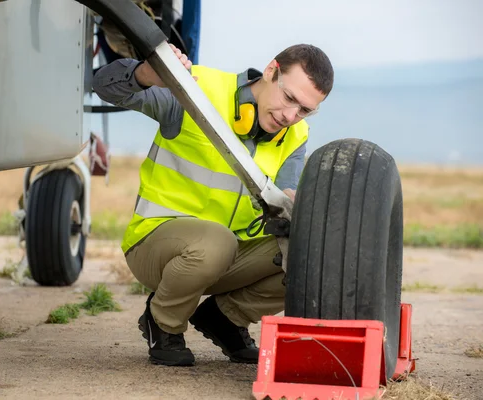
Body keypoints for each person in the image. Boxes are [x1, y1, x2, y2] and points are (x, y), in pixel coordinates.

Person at [92, 43, 334, 367]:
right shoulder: (197, 89)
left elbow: (285, 197)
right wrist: (145, 74)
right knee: (216, 242)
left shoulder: (295, 135)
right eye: (289, 98)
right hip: (157, 245)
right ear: (271, 70)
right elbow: (104, 87)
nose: (291, 116)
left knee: (310, 255)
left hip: (230, 256)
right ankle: (162, 322)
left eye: (304, 110)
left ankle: (226, 319)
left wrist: (301, 207)